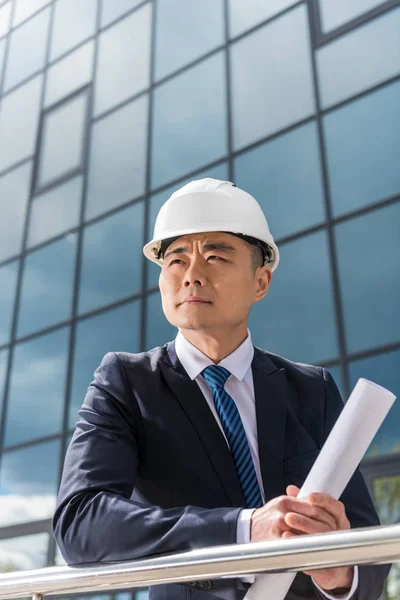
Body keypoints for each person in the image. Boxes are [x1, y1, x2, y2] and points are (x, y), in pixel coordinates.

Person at [53, 178, 390, 600]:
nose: (192, 275)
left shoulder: (312, 389)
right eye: (176, 260)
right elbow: (80, 524)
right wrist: (244, 528)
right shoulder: (126, 382)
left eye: (215, 256)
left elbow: (367, 552)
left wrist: (339, 571)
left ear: (261, 282)